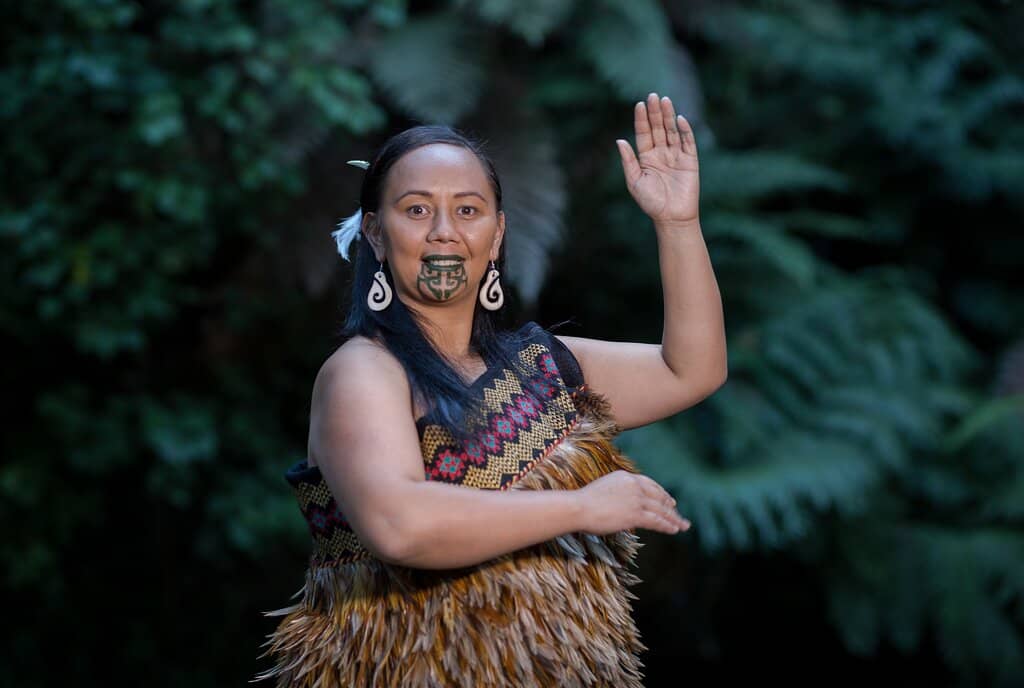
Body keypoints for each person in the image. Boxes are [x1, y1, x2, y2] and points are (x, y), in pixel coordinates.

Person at [255, 92, 727, 687]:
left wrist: (677, 223)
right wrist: (582, 507)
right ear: (376, 233)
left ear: (498, 234)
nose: (445, 232)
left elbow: (694, 370)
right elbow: (398, 525)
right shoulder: (363, 372)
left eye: (469, 211)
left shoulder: (539, 367)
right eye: (418, 210)